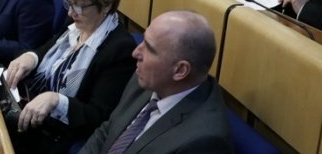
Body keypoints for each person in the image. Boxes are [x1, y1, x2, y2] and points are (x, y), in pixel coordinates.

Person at [6, 0, 137, 154]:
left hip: (56, 136)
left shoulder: (119, 49)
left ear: (106, 5)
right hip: (29, 112)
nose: (71, 12)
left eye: (79, 5)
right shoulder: (78, 23)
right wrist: (31, 57)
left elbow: (98, 116)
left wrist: (56, 100)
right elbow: (49, 48)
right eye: (69, 3)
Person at [78, 10, 233, 154]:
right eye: (143, 39)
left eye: (149, 48)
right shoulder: (147, 79)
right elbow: (107, 131)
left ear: (180, 70)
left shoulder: (204, 142)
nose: (135, 52)